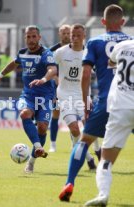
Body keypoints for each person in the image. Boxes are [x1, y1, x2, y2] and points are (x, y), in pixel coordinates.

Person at [58, 4, 132, 202]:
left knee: (85, 141)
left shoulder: (95, 42)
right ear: (123, 22)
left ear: (103, 22)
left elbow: (86, 74)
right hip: (131, 100)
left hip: (107, 102)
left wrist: (85, 103)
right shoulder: (131, 42)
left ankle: (69, 182)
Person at [0, 25, 57, 173]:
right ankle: (38, 147)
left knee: (42, 127)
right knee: (24, 114)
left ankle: (31, 162)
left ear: (39, 37)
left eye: (34, 36)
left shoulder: (46, 53)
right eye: (28, 36)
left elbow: (53, 69)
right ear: (25, 38)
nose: (31, 39)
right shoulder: (22, 53)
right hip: (28, 95)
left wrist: (44, 79)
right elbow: (13, 64)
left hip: (45, 96)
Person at [84, 40, 134, 206]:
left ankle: (103, 195)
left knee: (105, 160)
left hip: (121, 109)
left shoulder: (123, 45)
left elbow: (111, 62)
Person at [54, 24, 96, 170]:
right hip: (65, 95)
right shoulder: (60, 52)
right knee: (74, 129)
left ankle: (95, 150)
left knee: (89, 127)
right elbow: (50, 68)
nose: (75, 38)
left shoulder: (90, 53)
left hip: (83, 94)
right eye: (73, 35)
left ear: (84, 36)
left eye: (79, 35)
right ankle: (88, 157)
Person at [48, 24, 71, 152]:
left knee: (75, 115)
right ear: (59, 34)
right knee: (55, 114)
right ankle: (53, 144)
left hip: (74, 88)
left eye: (68, 33)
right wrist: (56, 79)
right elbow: (48, 68)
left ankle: (76, 143)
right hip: (57, 89)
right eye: (64, 33)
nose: (66, 35)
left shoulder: (78, 49)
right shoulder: (52, 51)